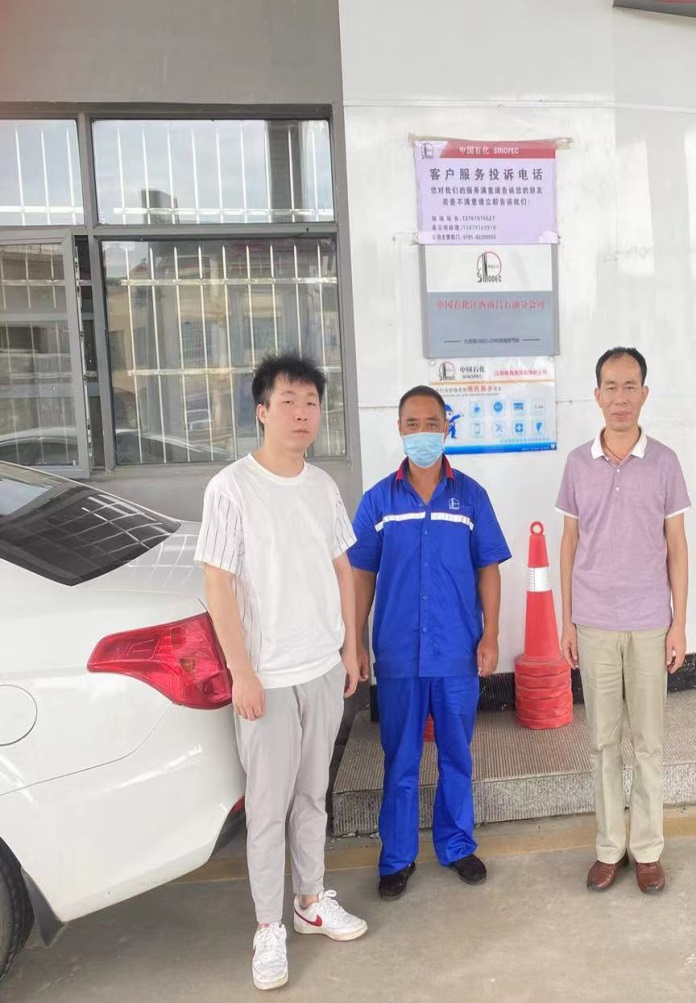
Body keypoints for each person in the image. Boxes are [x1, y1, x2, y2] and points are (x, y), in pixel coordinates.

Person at [196, 353, 368, 993]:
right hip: (266, 678)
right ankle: (269, 926)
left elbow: (343, 569)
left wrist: (350, 647)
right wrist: (240, 670)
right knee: (267, 809)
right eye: (288, 402)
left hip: (322, 668)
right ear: (262, 411)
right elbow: (217, 583)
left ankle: (311, 900)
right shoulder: (231, 488)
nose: (302, 414)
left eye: (311, 403)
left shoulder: (322, 487)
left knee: (312, 796)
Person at [349, 385, 511, 900]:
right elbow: (360, 576)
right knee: (399, 759)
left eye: (432, 423)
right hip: (398, 653)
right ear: (400, 430)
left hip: (456, 651)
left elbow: (488, 568)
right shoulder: (378, 500)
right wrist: (355, 641)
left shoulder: (471, 497)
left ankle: (457, 845)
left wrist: (491, 634)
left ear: (447, 428)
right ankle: (397, 858)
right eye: (412, 424)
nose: (423, 433)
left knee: (456, 754)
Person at [556, 347, 690, 894]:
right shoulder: (577, 463)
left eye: (630, 386)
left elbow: (677, 545)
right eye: (610, 386)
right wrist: (567, 621)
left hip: (649, 621)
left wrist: (679, 624)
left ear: (644, 393)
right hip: (593, 621)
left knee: (649, 742)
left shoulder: (664, 462)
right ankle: (610, 847)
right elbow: (569, 543)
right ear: (597, 395)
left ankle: (648, 849)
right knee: (603, 741)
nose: (620, 397)